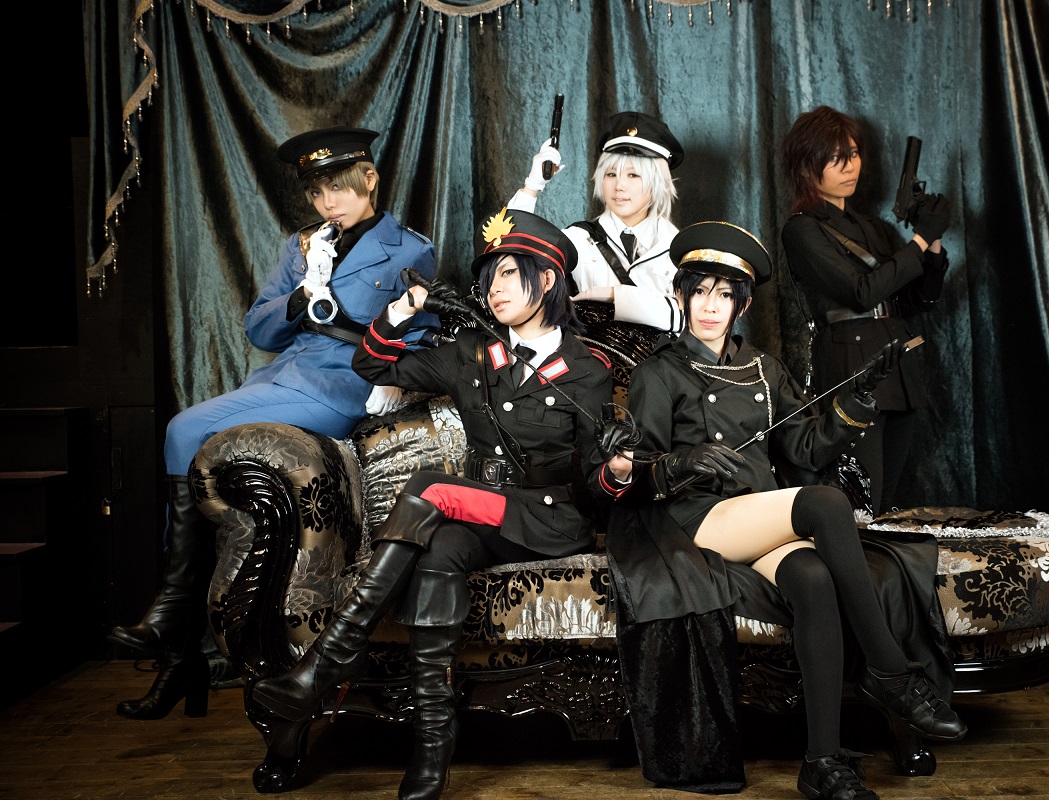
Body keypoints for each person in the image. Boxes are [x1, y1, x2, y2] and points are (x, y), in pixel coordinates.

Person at [251, 207, 636, 800]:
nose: (495, 288)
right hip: (480, 519)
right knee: (438, 554)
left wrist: (616, 471)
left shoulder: (587, 370)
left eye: (509, 274)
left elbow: (593, 488)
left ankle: (325, 663)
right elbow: (370, 364)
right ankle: (433, 748)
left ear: (548, 280)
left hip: (549, 521)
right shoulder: (471, 352)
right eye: (489, 277)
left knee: (430, 486)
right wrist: (404, 309)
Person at [610, 221, 964, 800]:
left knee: (813, 577)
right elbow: (642, 470)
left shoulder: (763, 367)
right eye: (699, 292)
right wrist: (681, 461)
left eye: (725, 295)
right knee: (825, 503)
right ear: (680, 294)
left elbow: (806, 448)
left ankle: (822, 762)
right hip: (697, 521)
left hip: (758, 518)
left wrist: (858, 400)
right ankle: (890, 670)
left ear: (742, 305)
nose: (710, 306)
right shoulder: (659, 372)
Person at [108, 125, 440, 720]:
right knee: (196, 453)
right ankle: (184, 654)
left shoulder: (409, 249)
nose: (328, 202)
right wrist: (298, 296)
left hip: (342, 389)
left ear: (369, 180)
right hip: (282, 376)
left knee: (183, 431)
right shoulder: (302, 245)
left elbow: (424, 335)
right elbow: (258, 329)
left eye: (339, 187)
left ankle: (172, 613)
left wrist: (390, 372)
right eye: (316, 192)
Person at [780, 106, 952, 515]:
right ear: (807, 166)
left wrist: (933, 241)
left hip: (898, 361)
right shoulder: (802, 228)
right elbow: (861, 293)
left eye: (853, 154)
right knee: (860, 499)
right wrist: (918, 241)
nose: (849, 167)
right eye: (835, 158)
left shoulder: (872, 226)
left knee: (889, 500)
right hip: (852, 363)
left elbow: (918, 300)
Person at [507, 110, 686, 333]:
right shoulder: (577, 239)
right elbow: (507, 253)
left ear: (657, 181)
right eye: (611, 174)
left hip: (665, 356)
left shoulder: (681, 248)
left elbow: (694, 320)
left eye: (633, 175)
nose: (619, 186)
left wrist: (614, 295)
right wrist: (533, 185)